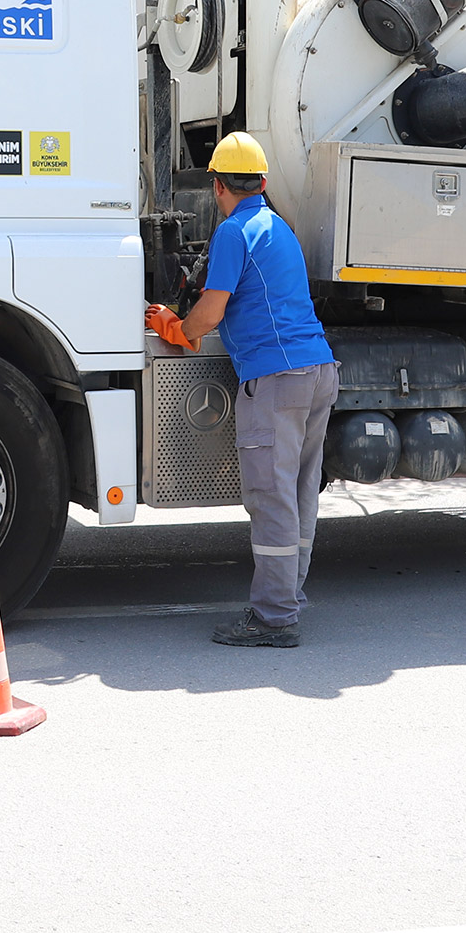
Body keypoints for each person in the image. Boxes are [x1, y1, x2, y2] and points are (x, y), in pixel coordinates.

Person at [146, 132, 338, 649]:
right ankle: (287, 599)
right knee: (298, 493)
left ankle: (274, 618)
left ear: (216, 186)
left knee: (271, 496)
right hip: (318, 371)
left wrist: (175, 326)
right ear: (263, 182)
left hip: (276, 379)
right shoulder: (278, 227)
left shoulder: (234, 232)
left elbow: (210, 311)